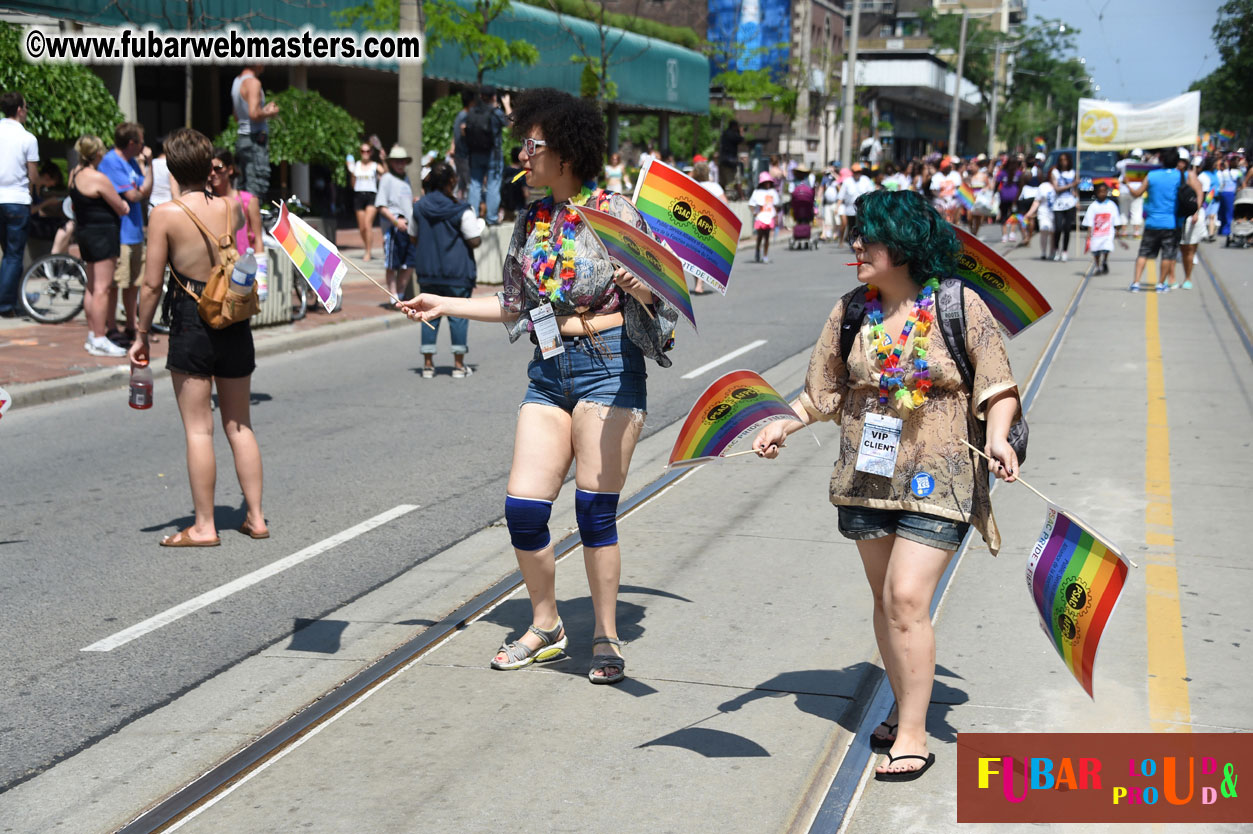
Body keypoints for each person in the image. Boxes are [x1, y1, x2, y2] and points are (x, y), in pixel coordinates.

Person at [397, 88, 678, 685]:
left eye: (534, 143)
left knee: (594, 510)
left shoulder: (617, 213)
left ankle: (605, 635)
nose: (524, 154)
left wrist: (642, 286)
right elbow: (512, 304)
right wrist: (438, 303)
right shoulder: (533, 219)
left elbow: (667, 295)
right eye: (524, 142)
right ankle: (547, 623)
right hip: (549, 370)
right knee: (523, 510)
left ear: (568, 152)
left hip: (610, 366)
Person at [751, 189, 1021, 780]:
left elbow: (997, 384)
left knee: (906, 597)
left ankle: (915, 735)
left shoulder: (958, 304)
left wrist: (999, 437)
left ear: (902, 245)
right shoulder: (850, 310)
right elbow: (820, 392)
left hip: (941, 476)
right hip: (868, 476)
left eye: (867, 237)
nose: (856, 245)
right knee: (886, 602)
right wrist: (784, 425)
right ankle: (905, 706)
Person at [128, 127, 267, 547]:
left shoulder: (165, 215)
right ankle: (256, 517)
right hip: (233, 316)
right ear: (210, 167)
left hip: (192, 318)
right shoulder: (231, 208)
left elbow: (152, 285)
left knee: (198, 430)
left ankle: (205, 526)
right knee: (239, 424)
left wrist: (140, 333)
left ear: (171, 167)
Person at [414, 160, 484, 379]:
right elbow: (474, 240)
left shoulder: (419, 207)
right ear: (452, 181)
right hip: (457, 273)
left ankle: (427, 365)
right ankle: (459, 365)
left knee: (428, 315)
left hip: (428, 271)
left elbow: (412, 236)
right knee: (458, 316)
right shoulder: (461, 208)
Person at [69, 135, 130, 357]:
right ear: (97, 154)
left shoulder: (73, 174)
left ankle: (92, 334)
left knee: (92, 287)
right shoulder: (99, 178)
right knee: (103, 288)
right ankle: (99, 337)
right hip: (103, 234)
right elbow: (121, 207)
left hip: (84, 232)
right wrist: (124, 205)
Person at [98, 121, 153, 346]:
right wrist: (149, 168)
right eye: (141, 142)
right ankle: (111, 327)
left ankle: (131, 326)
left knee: (133, 283)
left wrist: (144, 175)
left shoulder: (131, 162)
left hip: (135, 231)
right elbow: (133, 195)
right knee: (114, 284)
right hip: (120, 233)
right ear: (132, 143)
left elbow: (143, 191)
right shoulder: (111, 162)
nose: (144, 147)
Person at [1127, 148, 1202, 292]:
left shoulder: (1152, 175)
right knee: (1167, 254)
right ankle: (1161, 284)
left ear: (1161, 160)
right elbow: (1196, 189)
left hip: (1152, 222)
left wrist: (1127, 184)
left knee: (1143, 253)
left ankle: (1136, 282)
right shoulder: (1180, 176)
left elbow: (1137, 194)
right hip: (1171, 223)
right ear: (1177, 161)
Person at [0, 91, 38, 318]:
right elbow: (33, 175)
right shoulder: (27, 138)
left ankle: (12, 297)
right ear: (19, 110)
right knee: (14, 255)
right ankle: (5, 304)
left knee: (8, 255)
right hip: (17, 200)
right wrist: (38, 191)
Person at [231, 65, 279, 199]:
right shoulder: (253, 82)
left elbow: (236, 116)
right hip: (255, 139)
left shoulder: (237, 82)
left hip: (242, 138)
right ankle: (253, 219)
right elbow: (254, 114)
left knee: (243, 185)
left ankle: (242, 218)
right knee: (257, 186)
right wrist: (270, 112)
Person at [465, 86, 511, 225]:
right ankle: (491, 218)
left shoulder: (472, 112)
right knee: (493, 185)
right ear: (494, 97)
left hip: (475, 154)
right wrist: (507, 105)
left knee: (475, 185)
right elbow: (510, 123)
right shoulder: (495, 113)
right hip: (493, 155)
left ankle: (472, 217)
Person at [375, 145, 416, 301]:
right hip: (394, 229)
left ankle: (400, 293)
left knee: (410, 263)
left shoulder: (405, 179)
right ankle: (393, 296)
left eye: (403, 161)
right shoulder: (386, 179)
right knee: (392, 264)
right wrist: (395, 221)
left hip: (409, 226)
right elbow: (381, 206)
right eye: (397, 161)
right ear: (391, 162)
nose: (400, 164)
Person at [209, 148, 263, 257]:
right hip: (218, 266)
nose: (213, 173)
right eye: (209, 169)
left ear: (230, 170)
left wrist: (261, 269)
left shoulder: (248, 200)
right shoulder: (207, 200)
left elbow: (258, 238)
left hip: (244, 264)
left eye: (218, 168)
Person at [689, 160, 725, 296]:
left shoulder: (692, 186)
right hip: (710, 224)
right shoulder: (715, 187)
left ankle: (698, 282)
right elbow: (725, 203)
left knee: (694, 255)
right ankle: (700, 283)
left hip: (694, 223)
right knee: (704, 254)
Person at [347, 142, 385, 261]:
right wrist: (352, 174)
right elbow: (353, 185)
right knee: (362, 227)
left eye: (368, 151)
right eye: (363, 151)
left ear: (371, 153)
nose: (365, 154)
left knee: (368, 224)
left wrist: (384, 160)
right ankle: (366, 246)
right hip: (359, 195)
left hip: (371, 195)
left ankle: (368, 251)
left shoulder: (375, 165)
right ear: (360, 153)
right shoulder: (356, 166)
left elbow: (386, 174)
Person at [1081, 181, 1122, 275]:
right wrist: (1088, 234)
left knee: (1106, 248)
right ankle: (1098, 266)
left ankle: (1105, 261)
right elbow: (1089, 221)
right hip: (1096, 234)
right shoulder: (1093, 206)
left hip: (1108, 233)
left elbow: (1116, 219)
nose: (1102, 194)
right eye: (1100, 192)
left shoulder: (1111, 205)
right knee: (1096, 250)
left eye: (1104, 191)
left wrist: (1117, 230)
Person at [1048, 153, 1078, 262]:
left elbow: (1074, 191)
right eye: (1061, 160)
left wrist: (1076, 199)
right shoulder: (1055, 173)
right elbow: (1056, 188)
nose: (1063, 162)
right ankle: (1056, 249)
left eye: (1065, 160)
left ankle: (1065, 250)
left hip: (1070, 203)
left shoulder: (1073, 172)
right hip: (1058, 204)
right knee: (1058, 228)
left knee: (1067, 228)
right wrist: (1071, 184)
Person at [1021, 173, 1055, 261]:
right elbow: (1037, 201)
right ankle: (1043, 252)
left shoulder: (1061, 185)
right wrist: (1029, 213)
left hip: (1056, 213)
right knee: (1044, 229)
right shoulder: (1043, 186)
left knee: (1053, 232)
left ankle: (1052, 252)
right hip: (1044, 213)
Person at [748, 171, 780, 263]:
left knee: (767, 237)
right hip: (760, 218)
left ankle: (765, 255)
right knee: (760, 236)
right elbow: (751, 204)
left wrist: (776, 216)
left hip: (769, 217)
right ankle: (757, 251)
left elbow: (776, 205)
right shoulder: (757, 192)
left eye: (769, 182)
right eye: (766, 182)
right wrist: (755, 213)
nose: (767, 184)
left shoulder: (773, 192)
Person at [452, 89, 475, 201]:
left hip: (458, 155)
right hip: (464, 155)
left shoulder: (459, 115)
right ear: (471, 102)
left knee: (461, 184)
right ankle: (469, 207)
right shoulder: (466, 116)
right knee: (469, 183)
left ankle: (460, 204)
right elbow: (463, 131)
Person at [1216, 155, 1241, 237]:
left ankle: (1221, 230)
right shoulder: (1238, 172)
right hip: (1230, 194)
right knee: (1229, 213)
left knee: (1222, 212)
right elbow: (1241, 182)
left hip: (1222, 193)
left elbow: (1220, 183)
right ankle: (1226, 230)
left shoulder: (1224, 172)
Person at [717, 120, 743, 193]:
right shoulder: (732, 134)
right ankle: (741, 196)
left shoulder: (724, 134)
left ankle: (721, 195)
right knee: (738, 179)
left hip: (723, 160)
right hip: (731, 161)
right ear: (734, 126)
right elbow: (741, 139)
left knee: (722, 181)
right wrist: (741, 131)